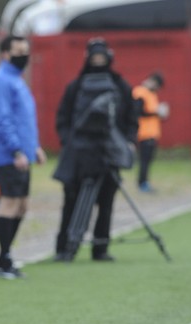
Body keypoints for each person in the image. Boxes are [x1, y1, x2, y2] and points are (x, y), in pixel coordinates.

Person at [53, 38, 139, 262]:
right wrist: (68, 142)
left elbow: (131, 118)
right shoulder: (76, 86)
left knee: (106, 203)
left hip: (108, 154)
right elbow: (63, 117)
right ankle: (64, 248)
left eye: (102, 58)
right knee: (71, 202)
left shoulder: (120, 85)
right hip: (79, 155)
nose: (98, 62)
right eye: (95, 58)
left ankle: (100, 248)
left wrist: (128, 141)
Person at [0, 35, 46, 279]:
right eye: (19, 51)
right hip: (11, 155)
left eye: (26, 50)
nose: (24, 56)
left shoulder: (16, 80)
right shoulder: (0, 80)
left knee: (21, 205)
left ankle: (5, 255)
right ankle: (3, 259)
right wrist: (16, 150)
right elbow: (3, 119)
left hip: (22, 153)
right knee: (10, 203)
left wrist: (34, 147)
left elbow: (24, 119)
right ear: (5, 54)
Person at [132, 72, 168, 193]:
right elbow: (138, 111)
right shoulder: (140, 92)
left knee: (148, 160)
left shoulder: (152, 94)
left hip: (152, 132)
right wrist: (156, 113)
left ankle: (145, 182)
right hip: (144, 133)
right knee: (144, 160)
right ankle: (142, 183)